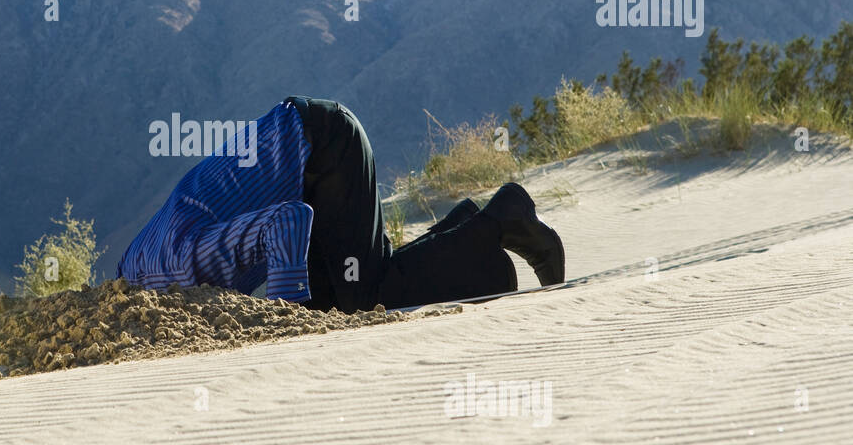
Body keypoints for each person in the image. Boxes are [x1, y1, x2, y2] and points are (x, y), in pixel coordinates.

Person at [117, 96, 565, 312]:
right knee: (334, 304)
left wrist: (285, 321)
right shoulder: (132, 267)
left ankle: (502, 222)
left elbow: (287, 223)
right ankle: (463, 228)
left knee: (363, 300)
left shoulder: (189, 264)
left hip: (325, 151)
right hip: (304, 159)